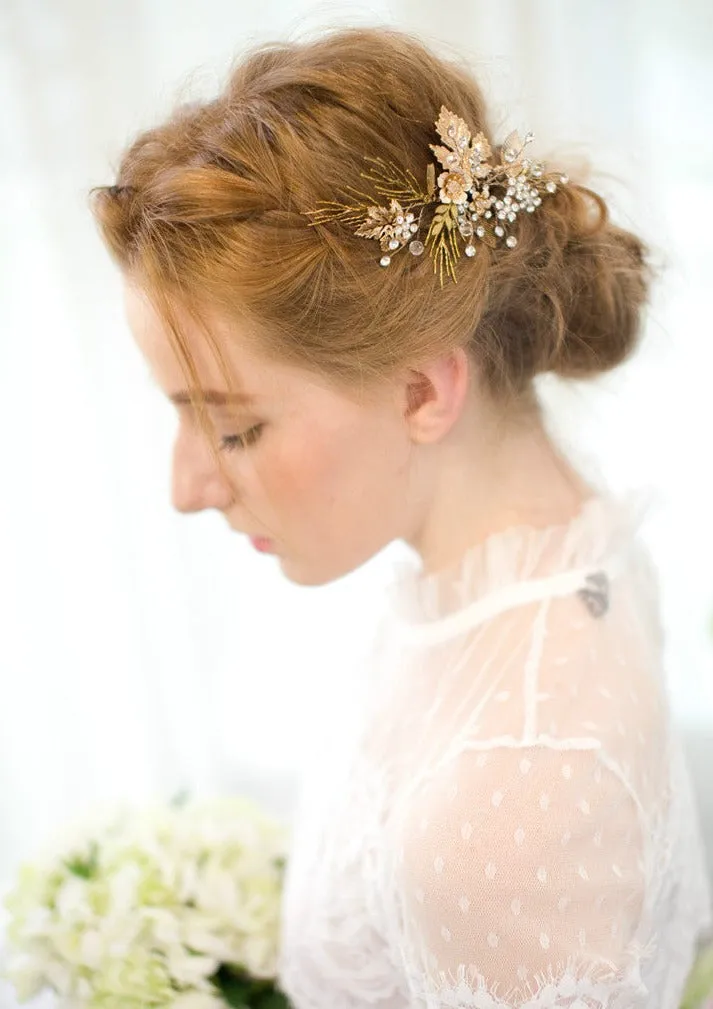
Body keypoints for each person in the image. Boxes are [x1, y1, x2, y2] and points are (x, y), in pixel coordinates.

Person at [90, 24, 711, 1009]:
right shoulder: (545, 552)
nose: (187, 487)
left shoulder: (509, 788)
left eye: (236, 429)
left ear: (423, 392)